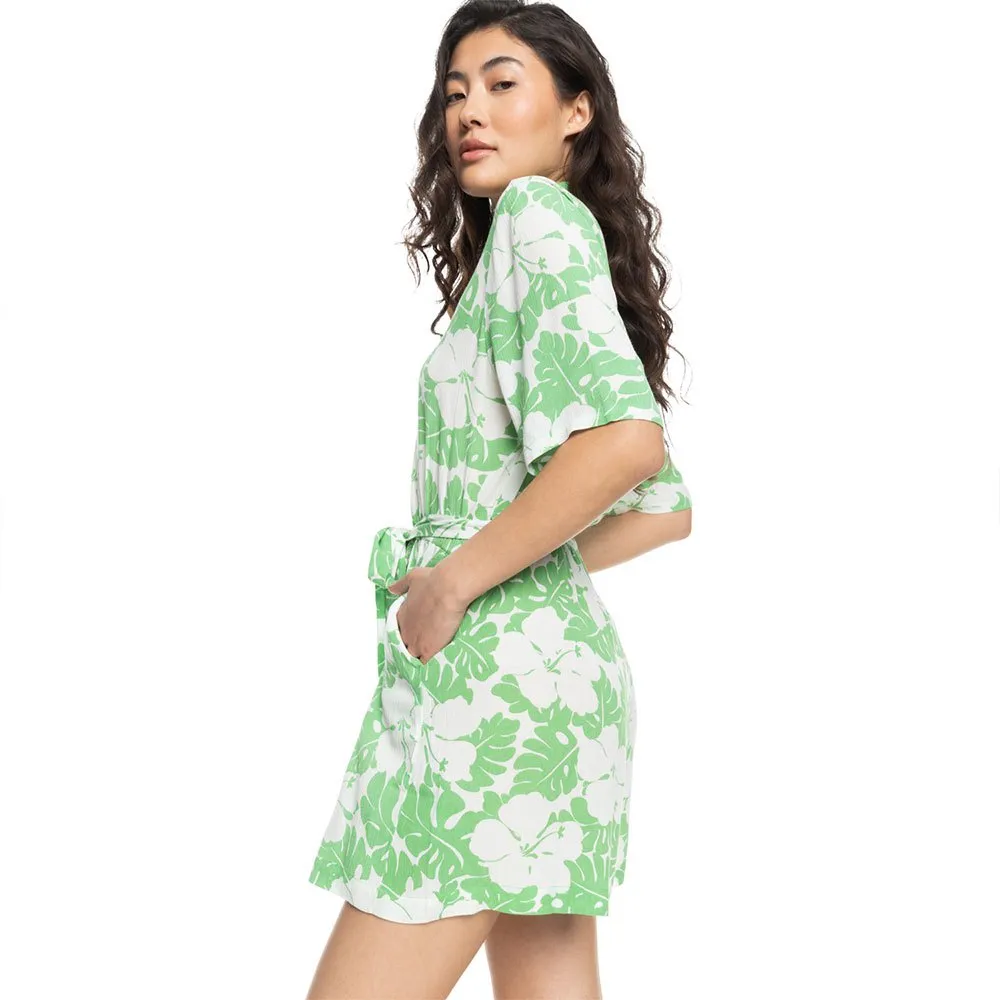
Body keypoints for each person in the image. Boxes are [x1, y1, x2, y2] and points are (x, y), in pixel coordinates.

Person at [305, 2, 693, 997]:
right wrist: (497, 569)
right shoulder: (541, 244)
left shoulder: (534, 220)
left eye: (501, 82)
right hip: (545, 690)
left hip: (494, 696)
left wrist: (455, 582)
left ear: (576, 110)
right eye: (454, 92)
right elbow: (663, 509)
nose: (469, 109)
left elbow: (627, 449)